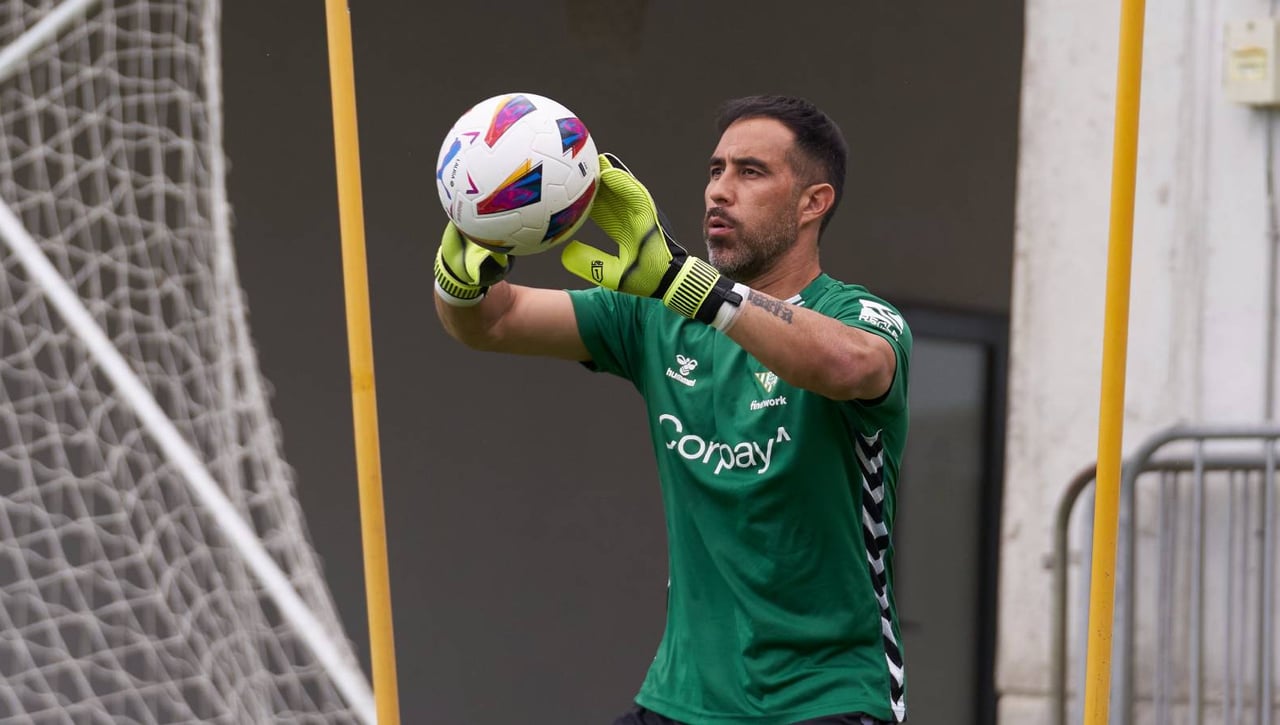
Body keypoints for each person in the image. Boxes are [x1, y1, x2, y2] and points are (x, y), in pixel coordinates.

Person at [433, 95, 911, 725]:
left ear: (812, 203)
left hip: (826, 699)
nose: (720, 190)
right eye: (715, 170)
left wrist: (688, 285)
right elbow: (494, 322)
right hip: (680, 698)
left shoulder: (856, 316)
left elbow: (852, 365)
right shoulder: (657, 315)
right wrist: (463, 266)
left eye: (750, 172)